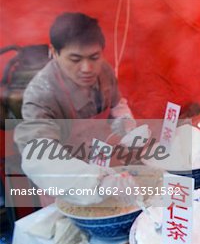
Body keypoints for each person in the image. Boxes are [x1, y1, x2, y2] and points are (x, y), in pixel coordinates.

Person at [13, 12, 139, 206]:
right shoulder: (40, 95)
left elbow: (116, 105)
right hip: (68, 187)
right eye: (75, 59)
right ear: (54, 52)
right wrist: (96, 182)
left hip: (104, 166)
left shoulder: (103, 70)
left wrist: (126, 127)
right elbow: (39, 155)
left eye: (94, 57)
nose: (87, 68)